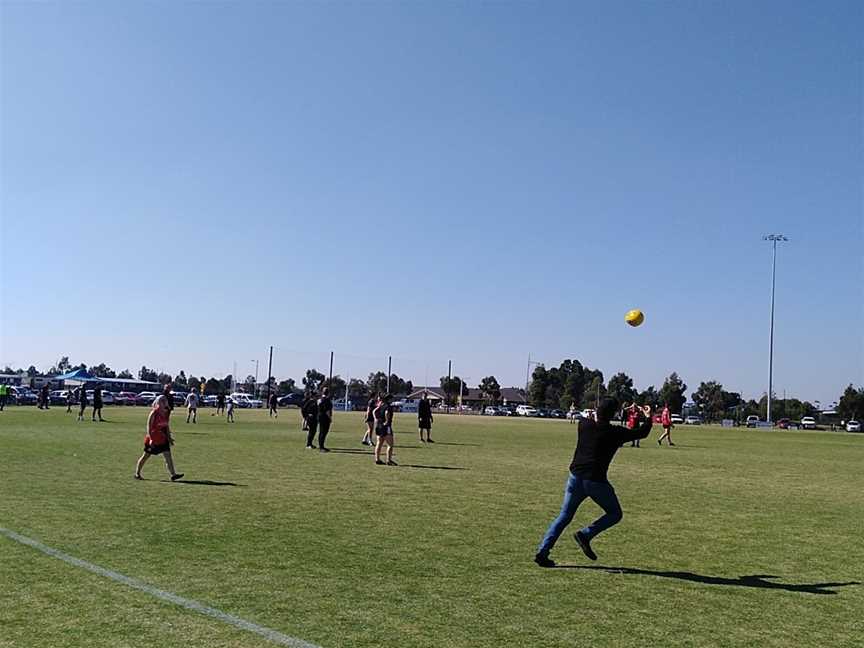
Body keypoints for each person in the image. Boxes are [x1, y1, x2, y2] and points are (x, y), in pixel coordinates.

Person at [534, 397, 652, 567]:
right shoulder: (615, 433)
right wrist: (648, 417)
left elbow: (587, 417)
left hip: (575, 478)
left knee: (564, 516)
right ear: (613, 414)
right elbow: (641, 433)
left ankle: (542, 552)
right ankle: (586, 534)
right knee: (615, 514)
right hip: (596, 481)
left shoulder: (584, 425)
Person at [135, 395, 184, 481]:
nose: (164, 402)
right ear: (158, 402)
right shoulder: (154, 413)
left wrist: (169, 438)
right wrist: (151, 439)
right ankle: (137, 474)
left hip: (163, 438)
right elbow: (149, 427)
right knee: (145, 456)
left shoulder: (165, 413)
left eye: (165, 400)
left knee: (168, 456)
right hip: (153, 439)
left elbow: (166, 426)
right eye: (162, 401)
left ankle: (173, 474)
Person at [373, 394, 397, 466]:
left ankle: (377, 459)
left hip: (379, 425)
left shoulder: (381, 405)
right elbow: (387, 413)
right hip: (386, 426)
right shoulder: (388, 406)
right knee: (390, 444)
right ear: (389, 399)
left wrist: (375, 419)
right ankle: (388, 460)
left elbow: (374, 411)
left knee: (379, 443)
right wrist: (387, 421)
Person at [317, 388, 333, 453]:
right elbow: (327, 410)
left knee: (321, 431)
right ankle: (321, 447)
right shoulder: (327, 400)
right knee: (324, 432)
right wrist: (330, 418)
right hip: (325, 417)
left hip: (320, 416)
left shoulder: (319, 399)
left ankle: (321, 445)